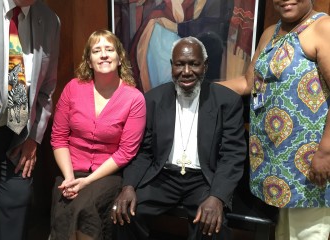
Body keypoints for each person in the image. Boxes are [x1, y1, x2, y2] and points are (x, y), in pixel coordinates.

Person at [112, 36, 246, 240]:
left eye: (194, 64)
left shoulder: (226, 101)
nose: (186, 71)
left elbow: (232, 155)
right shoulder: (153, 100)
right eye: (180, 64)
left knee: (210, 224)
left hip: (204, 179)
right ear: (171, 66)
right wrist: (128, 186)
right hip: (163, 176)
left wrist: (217, 196)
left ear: (205, 65)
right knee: (125, 214)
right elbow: (143, 151)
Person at [219, 0, 330, 239]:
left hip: (310, 161)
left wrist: (325, 152)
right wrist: (202, 88)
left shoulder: (323, 28)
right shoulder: (271, 31)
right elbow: (247, 83)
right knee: (283, 233)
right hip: (277, 161)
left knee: (309, 233)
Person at [0, 0, 60, 239]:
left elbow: (47, 89)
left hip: (15, 132)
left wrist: (33, 138)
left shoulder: (50, 20)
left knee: (18, 201)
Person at [49, 29, 146, 240]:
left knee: (85, 205)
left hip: (107, 174)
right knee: (66, 202)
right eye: (96, 50)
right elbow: (58, 138)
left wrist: (87, 181)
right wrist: (69, 177)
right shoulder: (72, 89)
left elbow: (126, 152)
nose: (103, 55)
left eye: (109, 49)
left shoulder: (134, 98)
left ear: (119, 58)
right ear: (89, 61)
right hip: (70, 171)